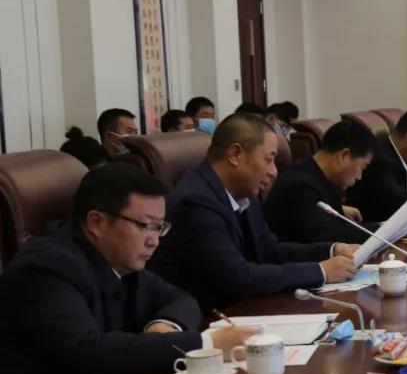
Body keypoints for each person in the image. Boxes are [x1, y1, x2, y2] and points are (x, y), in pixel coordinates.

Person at [0, 164, 259, 374]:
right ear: (96, 223)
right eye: (145, 226)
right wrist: (207, 344)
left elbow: (181, 299)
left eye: (159, 227)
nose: (154, 241)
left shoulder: (117, 258)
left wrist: (164, 325)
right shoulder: (47, 268)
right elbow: (88, 351)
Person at [148, 113, 359, 313]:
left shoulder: (243, 193)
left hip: (244, 308)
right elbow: (238, 277)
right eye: (268, 159)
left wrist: (331, 250)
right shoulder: (196, 202)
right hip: (210, 321)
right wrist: (321, 271)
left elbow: (269, 251)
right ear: (235, 155)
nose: (274, 171)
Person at [264, 120, 376, 244]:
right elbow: (328, 238)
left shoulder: (321, 177)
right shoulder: (299, 187)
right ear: (344, 155)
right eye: (363, 167)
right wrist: (380, 229)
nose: (360, 176)